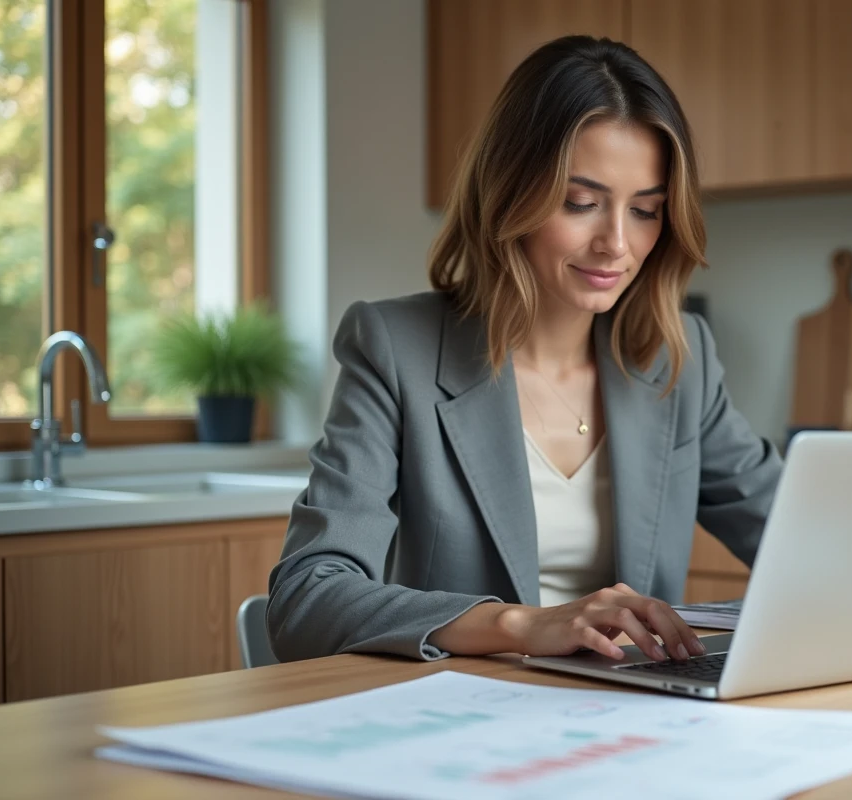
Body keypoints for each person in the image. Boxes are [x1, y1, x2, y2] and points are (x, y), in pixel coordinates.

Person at [267, 35, 782, 666]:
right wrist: (520, 625)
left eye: (646, 211)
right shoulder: (394, 349)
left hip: (633, 722)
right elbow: (306, 599)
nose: (616, 244)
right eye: (581, 204)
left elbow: (807, 540)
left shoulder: (679, 360)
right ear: (511, 192)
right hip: (459, 723)